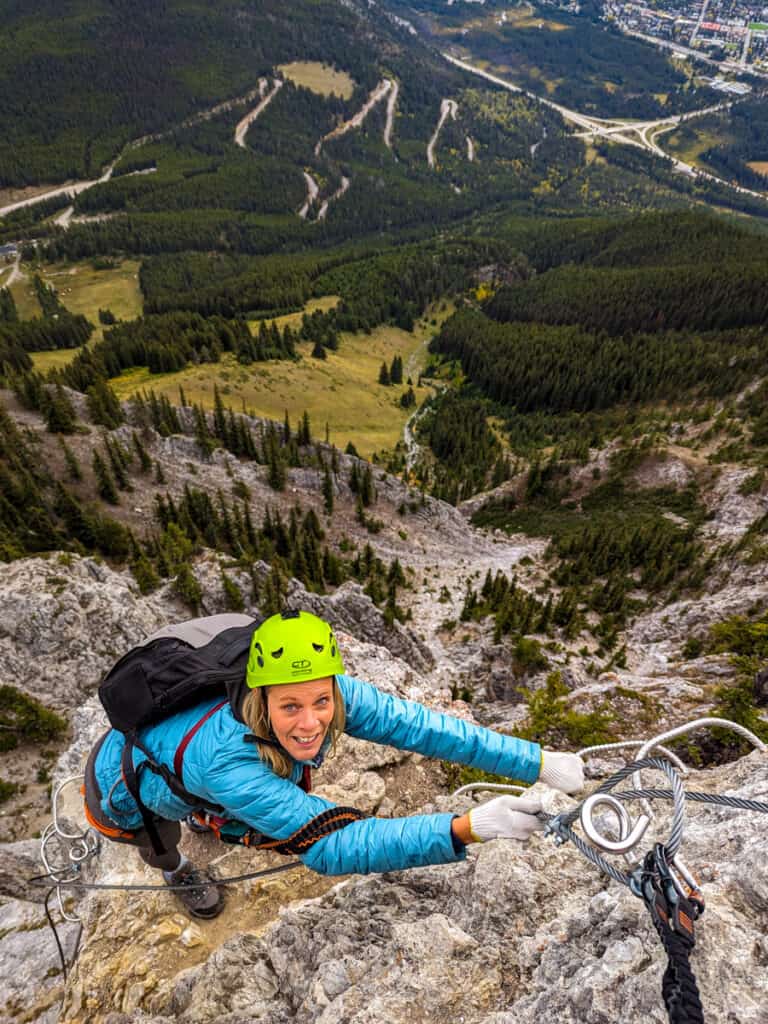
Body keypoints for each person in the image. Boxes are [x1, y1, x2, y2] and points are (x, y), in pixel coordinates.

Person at [84, 610, 584, 919]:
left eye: (321, 702)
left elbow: (425, 728)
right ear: (260, 697)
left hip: (187, 765)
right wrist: (466, 828)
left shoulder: (323, 688)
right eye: (290, 708)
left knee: (231, 802)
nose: (310, 723)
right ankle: (177, 871)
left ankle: (205, 815)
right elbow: (329, 844)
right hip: (119, 789)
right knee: (159, 840)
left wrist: (537, 762)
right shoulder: (224, 763)